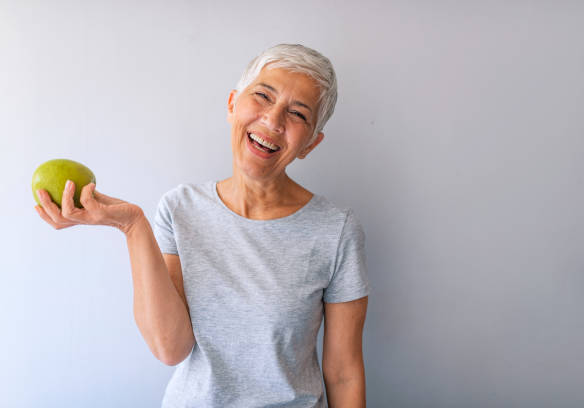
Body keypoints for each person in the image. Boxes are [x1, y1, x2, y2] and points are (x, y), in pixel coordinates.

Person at [34, 43, 370, 407]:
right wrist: (133, 226)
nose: (273, 121)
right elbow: (170, 348)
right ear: (232, 104)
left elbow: (343, 373)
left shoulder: (336, 230)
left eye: (298, 114)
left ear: (310, 144)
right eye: (262, 96)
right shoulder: (180, 209)